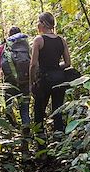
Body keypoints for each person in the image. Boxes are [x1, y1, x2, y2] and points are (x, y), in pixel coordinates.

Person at [30, 12, 71, 147]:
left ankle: (41, 145)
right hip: (59, 78)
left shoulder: (39, 40)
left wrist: (32, 82)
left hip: (44, 80)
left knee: (39, 111)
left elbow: (33, 65)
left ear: (43, 23)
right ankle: (59, 143)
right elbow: (67, 63)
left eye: (38, 21)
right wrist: (55, 67)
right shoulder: (61, 40)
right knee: (57, 110)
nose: (37, 24)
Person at [0, 26, 31, 133]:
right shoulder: (26, 47)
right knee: (24, 109)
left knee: (8, 108)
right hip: (25, 81)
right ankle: (26, 132)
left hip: (9, 83)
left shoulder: (3, 48)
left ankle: (13, 129)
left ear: (9, 36)